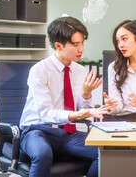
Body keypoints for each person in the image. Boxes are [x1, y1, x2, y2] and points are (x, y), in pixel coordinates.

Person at [19, 16, 109, 177]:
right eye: (75, 44)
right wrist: (77, 114)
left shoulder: (80, 71)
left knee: (104, 152)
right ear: (58, 45)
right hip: (37, 130)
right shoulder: (40, 71)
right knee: (42, 154)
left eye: (82, 43)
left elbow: (84, 111)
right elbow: (45, 113)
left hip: (66, 134)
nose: (81, 49)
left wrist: (86, 94)